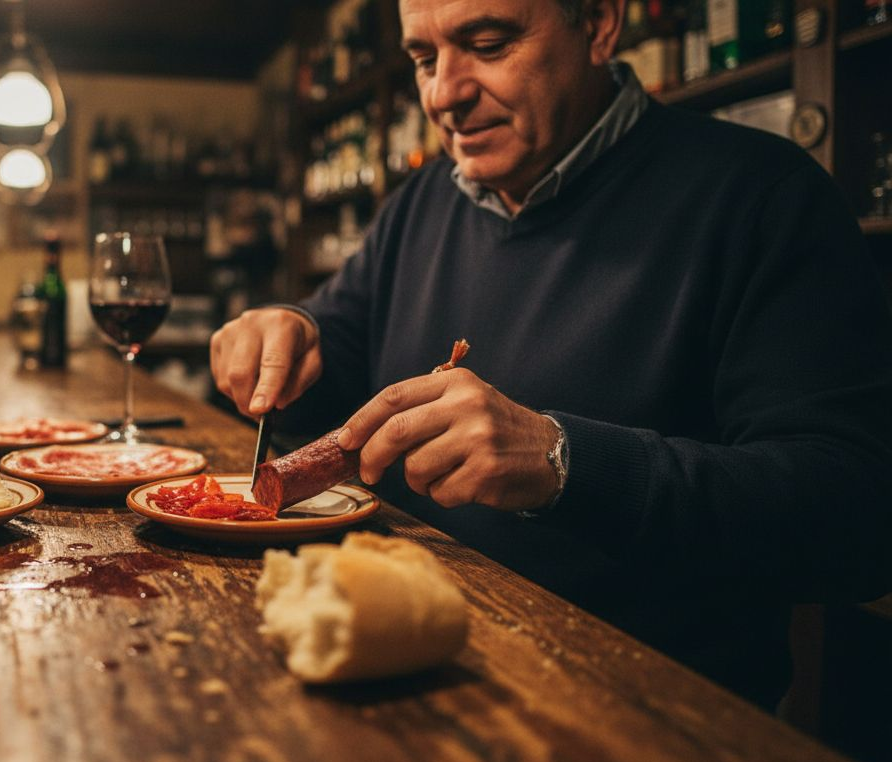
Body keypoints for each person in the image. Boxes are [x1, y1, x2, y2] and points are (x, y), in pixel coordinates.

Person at [210, 0, 892, 708]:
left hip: (640, 715)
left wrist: (564, 463)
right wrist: (290, 332)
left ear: (598, 25)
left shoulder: (762, 196)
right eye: (424, 59)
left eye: (489, 42)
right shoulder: (422, 203)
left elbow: (855, 517)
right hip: (404, 677)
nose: (444, 92)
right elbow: (338, 347)